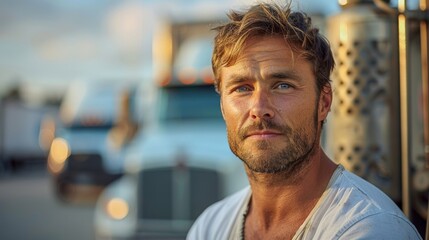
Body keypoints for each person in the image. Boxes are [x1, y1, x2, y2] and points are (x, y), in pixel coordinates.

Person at [187, 2, 422, 240]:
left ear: (324, 102)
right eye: (242, 88)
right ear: (222, 106)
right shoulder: (209, 227)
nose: (259, 108)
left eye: (282, 85)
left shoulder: (369, 227)